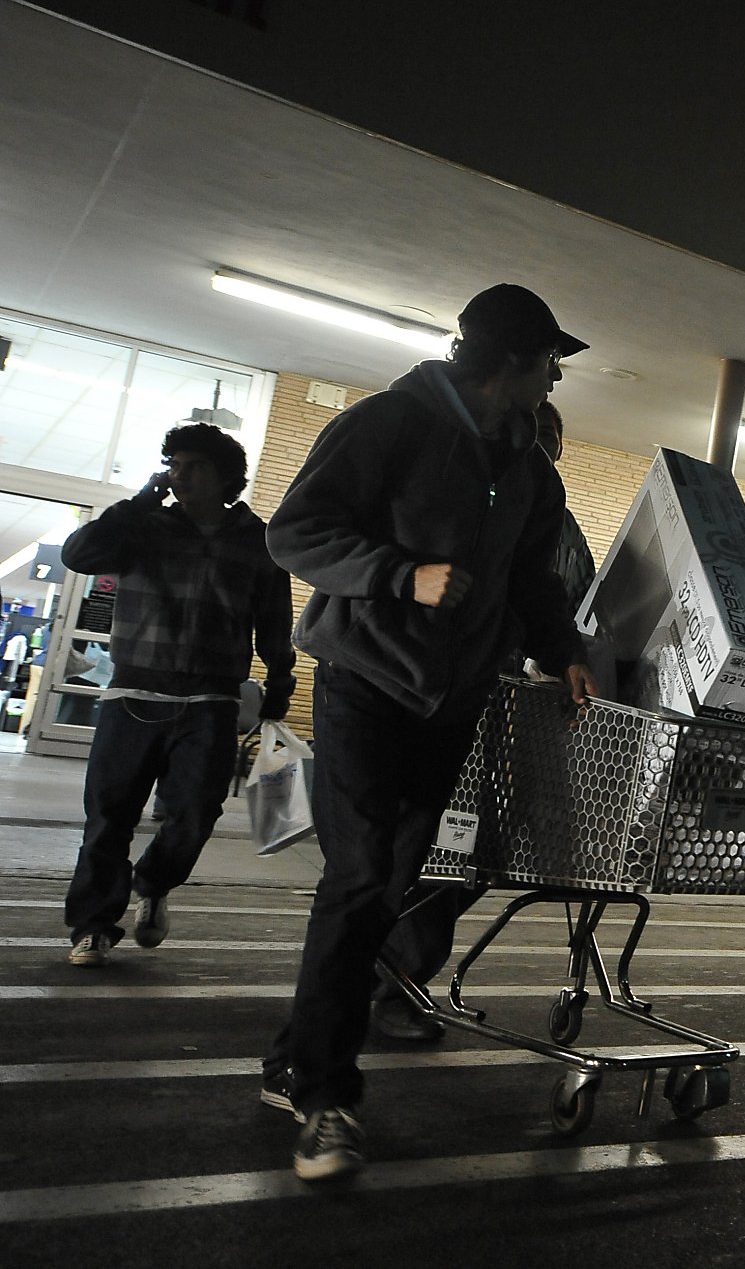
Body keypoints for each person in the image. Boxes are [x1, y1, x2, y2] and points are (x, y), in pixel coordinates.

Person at [259, 284, 597, 1182]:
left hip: (454, 698)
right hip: (368, 681)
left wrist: (565, 650)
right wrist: (398, 576)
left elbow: (534, 583)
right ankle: (325, 1101)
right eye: (550, 360)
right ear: (514, 361)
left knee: (392, 884)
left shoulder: (530, 468)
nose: (555, 376)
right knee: (363, 876)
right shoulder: (388, 426)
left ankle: (296, 1054)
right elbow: (295, 534)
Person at [367, 394, 600, 1043]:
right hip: (467, 700)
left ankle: (392, 973)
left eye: (551, 431)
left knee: (481, 856)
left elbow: (570, 609)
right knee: (443, 852)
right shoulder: (474, 508)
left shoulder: (558, 526)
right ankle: (387, 981)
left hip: (524, 720)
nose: (540, 438)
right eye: (534, 423)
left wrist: (566, 658)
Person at [58, 423, 296, 967]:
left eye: (193, 467)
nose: (179, 476)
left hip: (210, 703)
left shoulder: (256, 541)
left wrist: (280, 682)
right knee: (108, 817)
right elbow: (80, 555)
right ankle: (93, 925)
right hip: (133, 693)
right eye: (174, 465)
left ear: (225, 477)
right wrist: (141, 499)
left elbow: (274, 623)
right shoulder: (144, 527)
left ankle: (154, 882)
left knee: (194, 815)